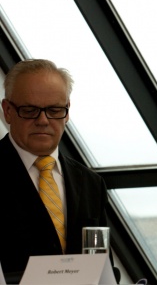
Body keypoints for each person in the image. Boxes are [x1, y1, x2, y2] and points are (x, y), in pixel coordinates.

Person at [0, 59, 115, 283]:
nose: (43, 120)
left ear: (67, 112)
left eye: (54, 110)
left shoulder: (91, 183)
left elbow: (102, 267)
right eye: (30, 110)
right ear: (7, 111)